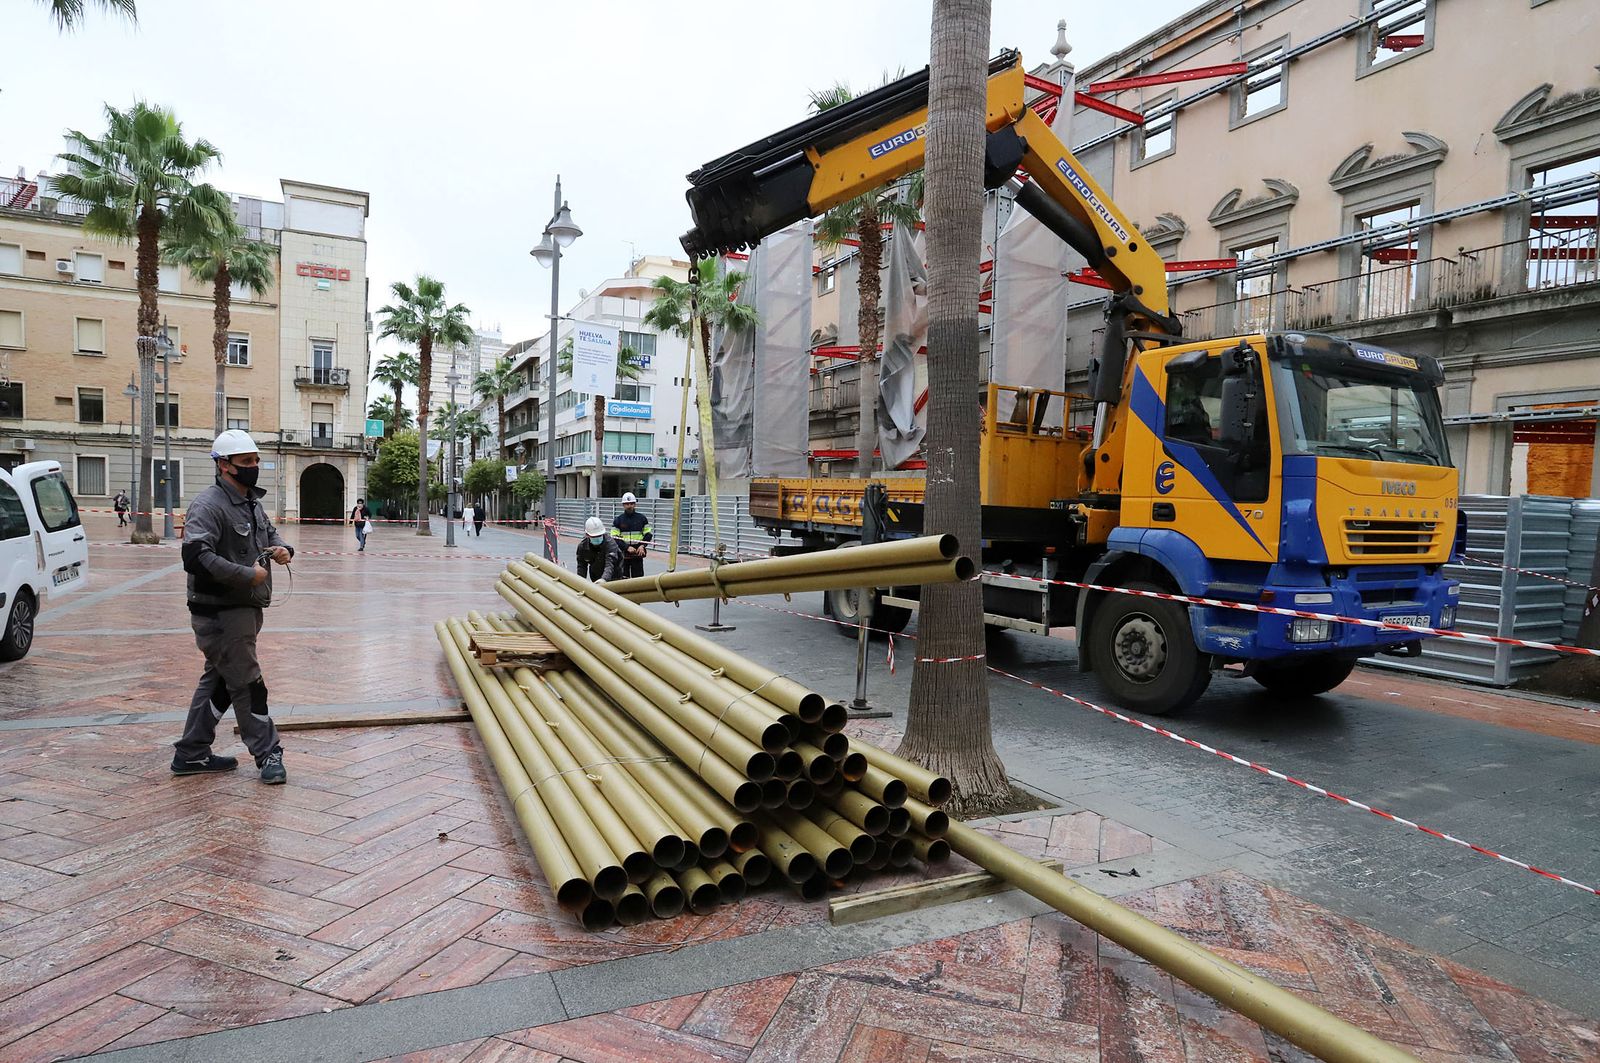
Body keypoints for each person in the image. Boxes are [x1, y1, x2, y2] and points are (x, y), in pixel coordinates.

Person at [171, 429, 294, 785]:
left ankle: (191, 752)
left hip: (244, 610)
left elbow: (268, 535)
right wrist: (246, 575)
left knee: (220, 682)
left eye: (255, 460)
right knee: (248, 684)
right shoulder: (208, 505)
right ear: (224, 465)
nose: (254, 467)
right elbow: (194, 556)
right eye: (246, 462)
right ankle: (268, 753)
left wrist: (283, 549)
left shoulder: (251, 502)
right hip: (220, 613)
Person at [611, 491, 652, 580]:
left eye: (631, 503)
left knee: (639, 579)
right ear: (623, 505)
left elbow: (648, 534)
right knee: (623, 578)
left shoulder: (642, 518)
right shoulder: (618, 520)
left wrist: (642, 546)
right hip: (623, 554)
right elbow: (614, 537)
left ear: (635, 504)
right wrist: (626, 547)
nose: (629, 506)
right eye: (627, 504)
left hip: (638, 552)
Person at [576, 516, 622, 582]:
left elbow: (610, 564)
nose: (597, 538)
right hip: (596, 574)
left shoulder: (610, 543)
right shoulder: (583, 546)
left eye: (599, 535)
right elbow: (581, 566)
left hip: (614, 576)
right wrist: (580, 582)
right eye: (594, 536)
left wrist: (604, 579)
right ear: (587, 535)